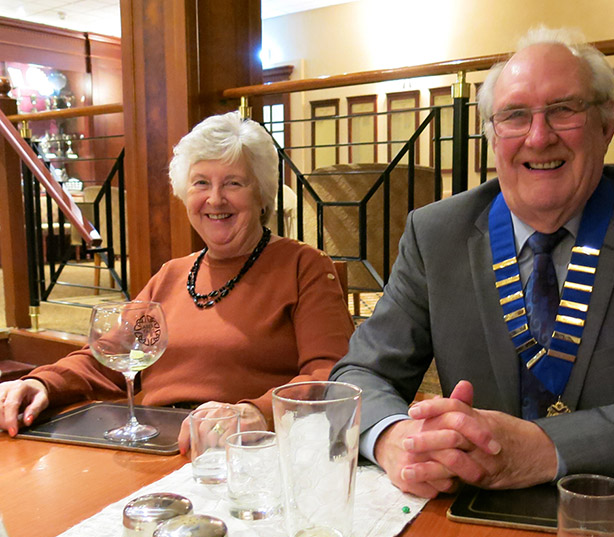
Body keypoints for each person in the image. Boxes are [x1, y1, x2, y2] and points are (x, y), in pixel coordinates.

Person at [330, 26, 614, 499]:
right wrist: (393, 438)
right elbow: (357, 375)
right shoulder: (436, 235)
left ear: (606, 125)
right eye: (514, 116)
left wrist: (543, 448)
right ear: (493, 136)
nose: (538, 136)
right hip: (472, 511)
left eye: (563, 110)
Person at [0, 111, 354, 452]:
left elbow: (330, 373)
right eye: (201, 183)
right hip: (158, 444)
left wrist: (257, 412)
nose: (215, 199)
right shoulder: (172, 274)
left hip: (242, 449)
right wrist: (42, 383)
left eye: (233, 182)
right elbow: (108, 357)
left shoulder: (302, 266)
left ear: (261, 193)